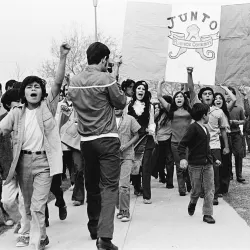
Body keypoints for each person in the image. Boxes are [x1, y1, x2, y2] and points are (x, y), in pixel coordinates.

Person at [0, 43, 70, 250]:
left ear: (42, 92)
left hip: (44, 162)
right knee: (26, 205)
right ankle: (40, 236)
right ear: (24, 92)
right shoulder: (16, 113)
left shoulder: (48, 107)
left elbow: (57, 83)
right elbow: (1, 129)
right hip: (22, 163)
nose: (33, 89)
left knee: (39, 205)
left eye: (37, 86)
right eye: (29, 87)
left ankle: (34, 243)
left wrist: (62, 57)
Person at [68, 42, 126, 250]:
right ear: (103, 59)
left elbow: (72, 101)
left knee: (91, 186)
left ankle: (93, 226)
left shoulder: (74, 81)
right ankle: (105, 237)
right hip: (108, 139)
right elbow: (120, 102)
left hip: (86, 142)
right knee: (109, 187)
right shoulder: (106, 79)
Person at [188, 68, 229, 205]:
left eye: (210, 94)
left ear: (213, 97)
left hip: (215, 145)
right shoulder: (197, 106)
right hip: (199, 146)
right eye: (205, 94)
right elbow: (191, 89)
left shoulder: (218, 112)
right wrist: (190, 74)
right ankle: (200, 191)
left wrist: (226, 147)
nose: (207, 95)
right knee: (199, 170)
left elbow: (223, 130)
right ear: (201, 97)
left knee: (215, 171)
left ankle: (214, 195)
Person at [178, 103, 215, 224]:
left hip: (208, 164)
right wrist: (183, 158)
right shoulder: (193, 128)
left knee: (209, 189)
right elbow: (182, 144)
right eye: (208, 113)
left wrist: (214, 159)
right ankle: (193, 202)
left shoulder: (205, 128)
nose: (209, 115)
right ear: (204, 115)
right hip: (195, 165)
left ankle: (207, 214)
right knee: (196, 190)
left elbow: (206, 147)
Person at [158, 77, 192, 196]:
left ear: (184, 99)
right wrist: (160, 84)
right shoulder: (170, 110)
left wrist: (189, 78)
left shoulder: (190, 110)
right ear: (174, 99)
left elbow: (192, 92)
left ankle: (190, 185)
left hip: (188, 143)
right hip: (175, 142)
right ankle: (181, 189)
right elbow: (159, 97)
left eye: (181, 96)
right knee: (179, 166)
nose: (179, 98)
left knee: (187, 165)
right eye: (177, 97)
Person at [128, 80, 156, 204]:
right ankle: (136, 187)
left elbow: (152, 121)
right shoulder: (128, 104)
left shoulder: (150, 106)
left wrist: (151, 130)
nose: (141, 91)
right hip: (131, 139)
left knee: (145, 166)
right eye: (139, 88)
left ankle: (147, 195)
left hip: (146, 138)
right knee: (133, 166)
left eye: (143, 89)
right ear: (135, 90)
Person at [115, 108, 140, 222]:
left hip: (127, 155)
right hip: (112, 157)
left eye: (118, 105)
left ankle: (125, 210)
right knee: (114, 185)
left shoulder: (130, 119)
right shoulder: (106, 119)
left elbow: (136, 135)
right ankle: (119, 208)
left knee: (124, 184)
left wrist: (127, 145)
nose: (116, 107)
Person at [213, 86, 236, 194]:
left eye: (220, 98)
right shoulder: (211, 111)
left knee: (226, 164)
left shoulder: (226, 110)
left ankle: (224, 188)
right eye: (216, 98)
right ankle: (216, 187)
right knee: (217, 164)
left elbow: (234, 99)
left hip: (226, 139)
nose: (218, 100)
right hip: (215, 140)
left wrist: (224, 88)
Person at [155, 85, 174, 188]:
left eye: (164, 102)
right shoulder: (158, 114)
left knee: (169, 161)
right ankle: (162, 176)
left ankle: (169, 182)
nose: (161, 104)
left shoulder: (171, 114)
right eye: (161, 103)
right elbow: (153, 126)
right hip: (158, 140)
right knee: (160, 161)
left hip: (168, 139)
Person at [227, 86, 246, 182]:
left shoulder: (239, 108)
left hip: (237, 134)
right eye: (226, 94)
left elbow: (244, 120)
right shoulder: (223, 108)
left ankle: (239, 175)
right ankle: (229, 174)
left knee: (238, 154)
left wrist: (237, 122)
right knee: (227, 155)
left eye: (230, 94)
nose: (228, 96)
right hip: (226, 135)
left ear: (234, 95)